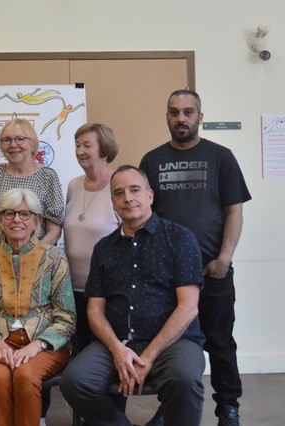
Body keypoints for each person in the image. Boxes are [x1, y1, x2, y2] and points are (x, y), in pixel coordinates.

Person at [60, 165, 206, 426]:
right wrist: (117, 349)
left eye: (135, 190)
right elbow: (94, 310)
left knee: (184, 378)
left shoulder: (180, 238)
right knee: (75, 381)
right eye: (119, 193)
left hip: (174, 343)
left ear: (149, 195)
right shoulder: (104, 248)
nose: (127, 197)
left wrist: (148, 356)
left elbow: (188, 307)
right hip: (116, 342)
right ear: (113, 203)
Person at [140, 90, 251, 426]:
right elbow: (145, 216)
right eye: (174, 112)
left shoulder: (222, 157)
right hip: (167, 278)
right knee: (171, 342)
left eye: (188, 112)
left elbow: (234, 211)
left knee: (220, 342)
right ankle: (169, 406)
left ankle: (228, 407)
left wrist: (223, 259)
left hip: (212, 271)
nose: (181, 119)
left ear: (200, 116)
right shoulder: (152, 161)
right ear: (167, 116)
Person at [0, 188, 75, 426]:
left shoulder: (54, 258)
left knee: (26, 376)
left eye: (25, 214)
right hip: (0, 340)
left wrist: (37, 345)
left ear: (37, 220)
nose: (16, 219)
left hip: (45, 342)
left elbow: (67, 316)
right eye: (9, 213)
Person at [63, 123, 120, 352]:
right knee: (82, 351)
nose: (80, 151)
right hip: (74, 288)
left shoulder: (120, 183)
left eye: (87, 145)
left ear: (104, 150)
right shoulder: (74, 185)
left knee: (105, 353)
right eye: (77, 145)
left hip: (109, 291)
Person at [0, 119, 64, 249]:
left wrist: (31, 258)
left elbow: (54, 230)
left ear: (33, 145)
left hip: (37, 264)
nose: (13, 144)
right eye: (7, 140)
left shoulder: (48, 176)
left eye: (20, 139)